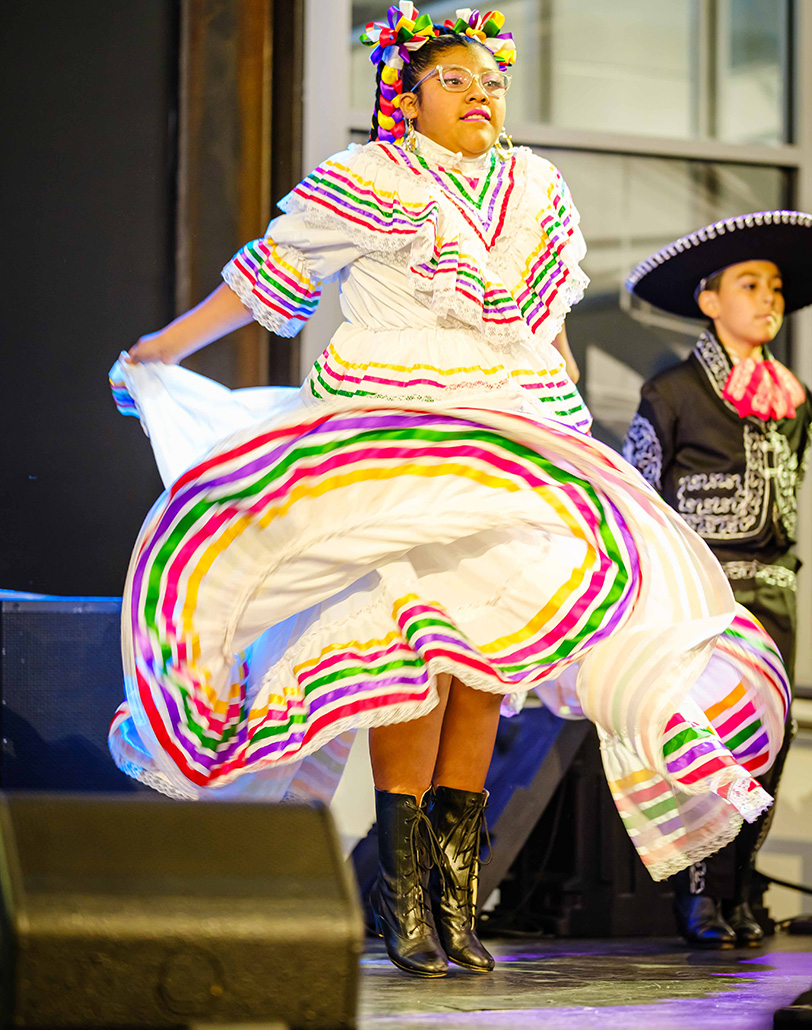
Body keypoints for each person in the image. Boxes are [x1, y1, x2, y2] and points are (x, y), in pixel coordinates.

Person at [109, 4, 788, 978]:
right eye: (456, 80)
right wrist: (164, 348)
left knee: (485, 665)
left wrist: (564, 414)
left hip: (510, 423)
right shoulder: (367, 178)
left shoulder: (534, 184)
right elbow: (266, 280)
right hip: (396, 424)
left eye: (491, 81)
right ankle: (404, 907)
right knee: (413, 657)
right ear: (408, 94)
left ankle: (453, 903)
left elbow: (547, 314)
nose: (480, 95)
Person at [623, 211, 812, 948]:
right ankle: (698, 894)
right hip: (706, 597)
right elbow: (638, 498)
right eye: (749, 285)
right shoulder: (673, 391)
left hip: (777, 592)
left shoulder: (794, 398)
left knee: (770, 743)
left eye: (775, 287)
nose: (768, 299)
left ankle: (739, 890)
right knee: (712, 737)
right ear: (709, 300)